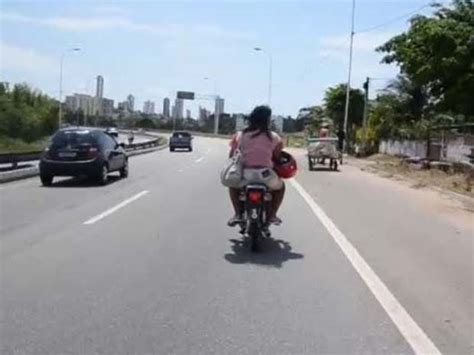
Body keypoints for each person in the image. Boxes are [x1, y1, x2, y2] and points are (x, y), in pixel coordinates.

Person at [227, 105, 285, 227]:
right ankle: (273, 215)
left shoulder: (240, 135)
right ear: (268, 120)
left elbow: (232, 155)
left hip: (246, 174)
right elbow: (278, 157)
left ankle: (237, 214)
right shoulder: (274, 137)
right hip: (265, 174)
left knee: (233, 186)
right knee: (280, 188)